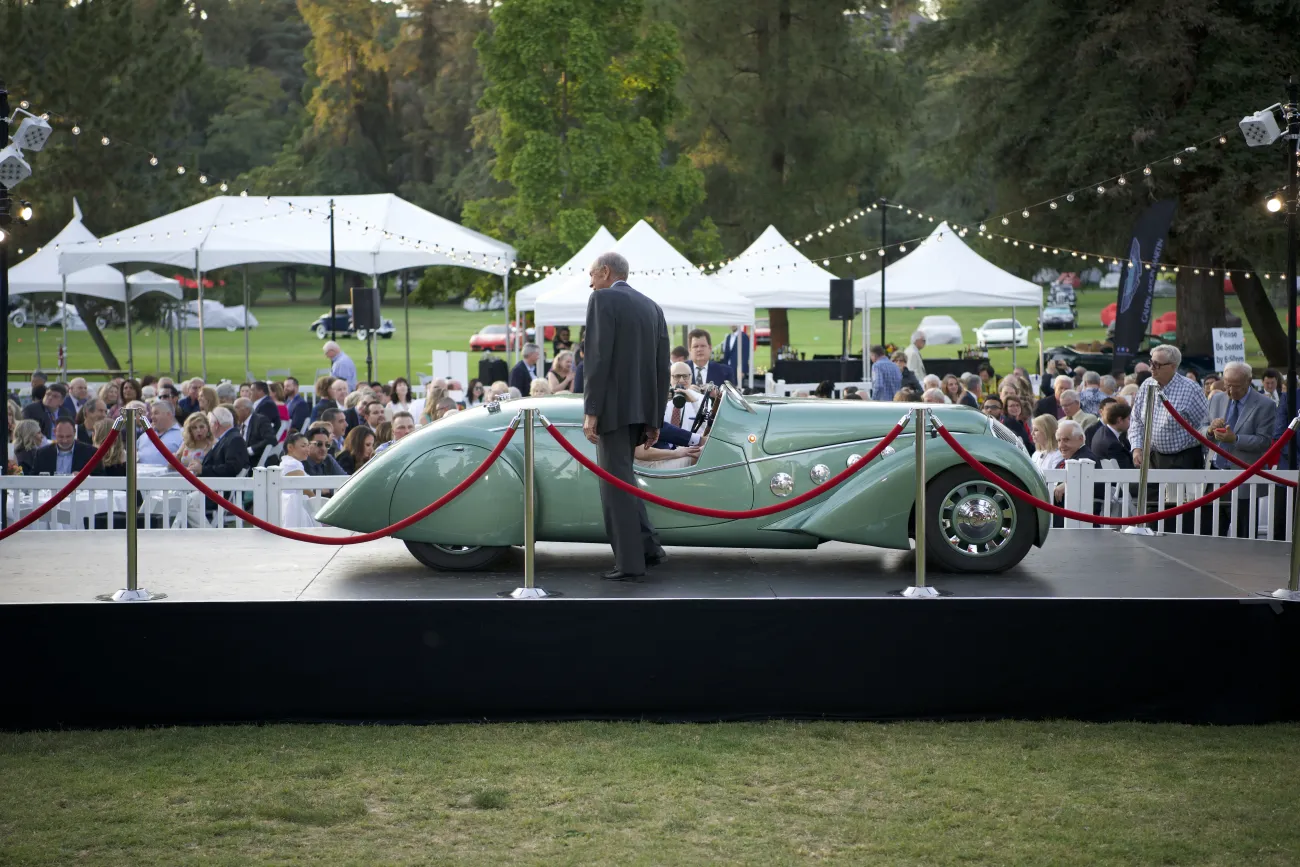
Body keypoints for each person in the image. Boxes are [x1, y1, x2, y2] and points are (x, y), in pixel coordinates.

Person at [582, 251, 671, 580]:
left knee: (614, 487)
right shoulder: (653, 307)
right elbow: (662, 368)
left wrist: (591, 411)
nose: (590, 284)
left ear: (605, 272)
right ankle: (648, 548)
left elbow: (597, 359)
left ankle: (630, 564)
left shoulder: (602, 300)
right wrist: (655, 419)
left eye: (591, 275)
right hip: (641, 411)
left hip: (613, 411)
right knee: (625, 480)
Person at [1130, 345, 1209, 471]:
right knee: (1149, 491)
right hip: (1152, 457)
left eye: (1157, 365)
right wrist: (1137, 448)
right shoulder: (1147, 384)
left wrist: (1208, 463)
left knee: (1181, 492)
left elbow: (1204, 426)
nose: (1151, 368)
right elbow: (1136, 420)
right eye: (1151, 363)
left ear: (1172, 366)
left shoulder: (1191, 389)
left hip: (1183, 459)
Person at [33, 417, 102, 475]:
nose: (64, 440)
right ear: (54, 432)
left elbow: (100, 478)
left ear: (74, 433)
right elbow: (33, 478)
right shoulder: (42, 453)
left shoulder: (90, 453)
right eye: (61, 436)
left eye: (68, 436)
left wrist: (85, 477)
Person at [136, 401, 183, 466]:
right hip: (141, 475)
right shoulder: (144, 435)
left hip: (170, 475)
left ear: (169, 414)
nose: (152, 417)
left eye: (156, 413)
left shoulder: (183, 435)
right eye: (151, 414)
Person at [234, 397, 277, 465]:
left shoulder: (260, 420)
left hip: (254, 462)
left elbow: (271, 439)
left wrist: (250, 450)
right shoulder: (239, 423)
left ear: (247, 410)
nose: (234, 411)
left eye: (236, 408)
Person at [1091, 401, 1134, 469]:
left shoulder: (1102, 431)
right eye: (1129, 419)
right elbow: (1126, 469)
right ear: (1119, 420)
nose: (1131, 422)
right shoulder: (1112, 445)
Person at [664, 362, 705, 430]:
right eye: (677, 376)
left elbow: (706, 427)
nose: (681, 380)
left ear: (691, 378)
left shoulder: (702, 399)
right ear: (669, 378)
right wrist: (663, 404)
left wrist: (694, 402)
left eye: (685, 376)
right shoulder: (661, 398)